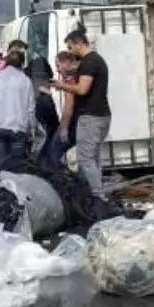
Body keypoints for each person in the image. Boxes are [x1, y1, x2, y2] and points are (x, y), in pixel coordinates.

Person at [54, 29, 110, 198]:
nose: (70, 52)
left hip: (91, 116)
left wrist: (62, 85)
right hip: (102, 115)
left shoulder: (89, 62)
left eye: (71, 47)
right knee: (94, 158)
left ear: (79, 44)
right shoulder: (98, 60)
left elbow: (83, 89)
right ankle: (95, 193)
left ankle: (98, 196)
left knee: (85, 159)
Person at [0, 48, 36, 171]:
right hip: (18, 128)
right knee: (16, 166)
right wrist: (31, 129)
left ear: (6, 62)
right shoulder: (26, 81)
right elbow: (30, 109)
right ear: (22, 63)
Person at [42, 51, 79, 167]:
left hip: (72, 123)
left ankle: (58, 178)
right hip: (80, 122)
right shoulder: (79, 76)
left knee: (53, 151)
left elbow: (69, 106)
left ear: (66, 63)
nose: (57, 70)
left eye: (58, 65)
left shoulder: (69, 80)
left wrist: (63, 129)